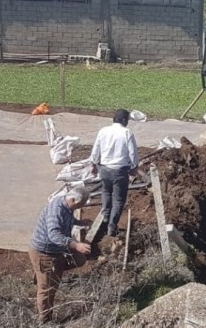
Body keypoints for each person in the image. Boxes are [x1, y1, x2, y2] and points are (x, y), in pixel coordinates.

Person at [28, 187, 92, 323]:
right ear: (73, 199)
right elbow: (54, 235)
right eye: (81, 204)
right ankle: (44, 321)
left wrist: (79, 222)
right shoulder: (56, 210)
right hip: (44, 252)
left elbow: (67, 217)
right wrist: (76, 245)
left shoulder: (66, 204)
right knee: (46, 289)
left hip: (56, 251)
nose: (82, 206)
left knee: (78, 260)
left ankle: (43, 273)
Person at [91, 109, 139, 237]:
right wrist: (134, 167)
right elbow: (133, 152)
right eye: (127, 120)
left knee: (106, 192)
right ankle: (112, 226)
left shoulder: (103, 131)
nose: (128, 122)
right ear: (123, 120)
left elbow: (96, 149)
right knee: (118, 200)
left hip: (105, 169)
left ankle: (105, 218)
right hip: (120, 171)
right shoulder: (127, 133)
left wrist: (93, 165)